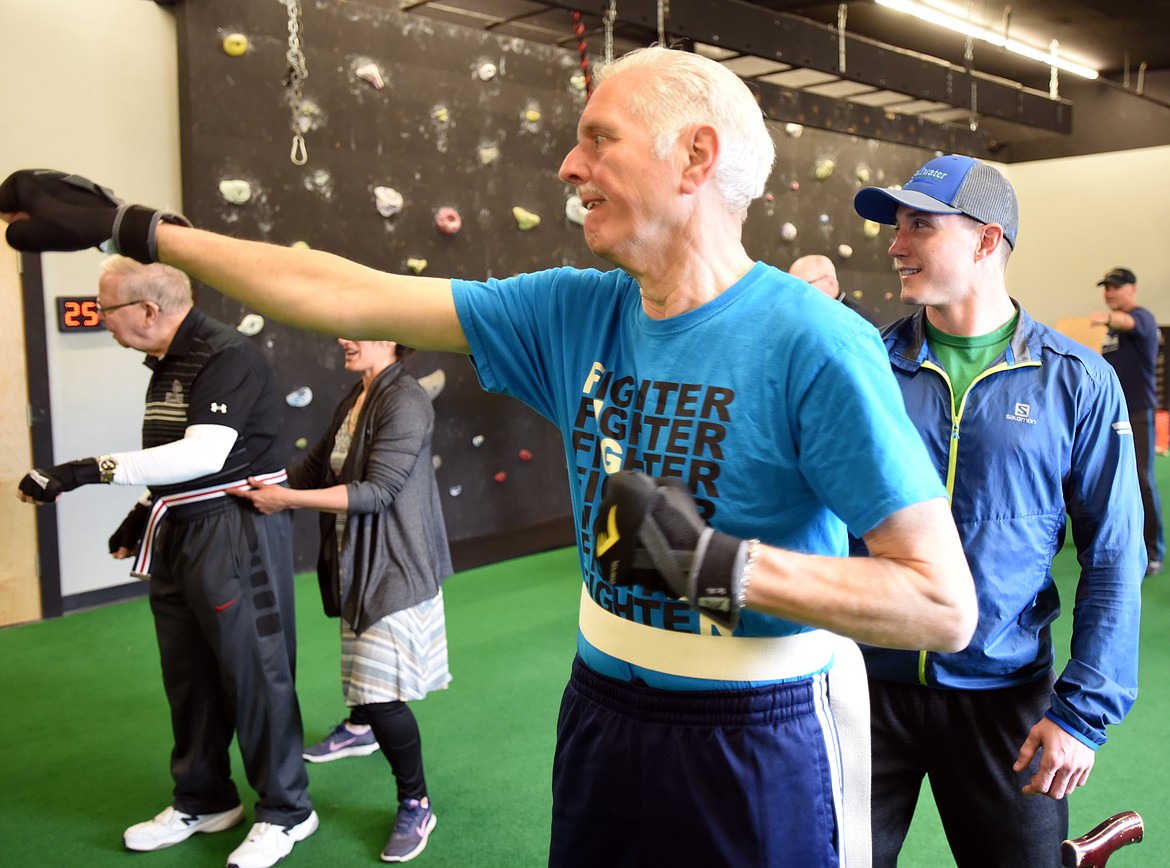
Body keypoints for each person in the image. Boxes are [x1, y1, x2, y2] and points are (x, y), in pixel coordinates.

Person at [0, 46, 979, 868]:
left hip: (761, 729)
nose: (567, 163)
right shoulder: (572, 310)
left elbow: (940, 603)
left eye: (599, 137)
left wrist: (722, 565)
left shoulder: (814, 343)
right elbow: (342, 290)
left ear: (696, 157)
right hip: (602, 704)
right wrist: (144, 231)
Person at [852, 154, 1144, 867]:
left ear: (986, 240)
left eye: (920, 225)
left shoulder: (1076, 381)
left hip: (1005, 696)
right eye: (897, 226)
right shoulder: (864, 363)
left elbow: (1112, 554)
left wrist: (1081, 713)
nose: (896, 244)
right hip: (864, 691)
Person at [14, 256, 317, 868]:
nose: (101, 320)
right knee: (190, 673)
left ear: (148, 311)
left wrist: (78, 473)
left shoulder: (225, 354)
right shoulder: (169, 360)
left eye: (107, 309)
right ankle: (204, 798)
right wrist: (141, 513)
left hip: (236, 531)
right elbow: (172, 456)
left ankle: (288, 811)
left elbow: (204, 455)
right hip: (182, 529)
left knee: (255, 673)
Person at [230, 337, 452, 863]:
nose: (342, 339)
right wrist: (260, 482)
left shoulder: (405, 400)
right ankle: (358, 729)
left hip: (395, 565)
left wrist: (284, 500)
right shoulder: (361, 392)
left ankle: (416, 801)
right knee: (361, 666)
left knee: (380, 691)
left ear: (392, 337)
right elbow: (317, 470)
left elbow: (377, 492)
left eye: (357, 330)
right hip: (358, 561)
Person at [1089, 267, 1164, 577]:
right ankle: (1113, 541)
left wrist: (1106, 319)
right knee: (1106, 478)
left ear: (1132, 289)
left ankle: (1153, 551)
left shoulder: (1141, 318)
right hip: (1113, 413)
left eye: (1116, 287)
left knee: (1142, 479)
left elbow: (1127, 321)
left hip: (1138, 411)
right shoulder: (1112, 333)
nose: (1110, 293)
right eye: (1106, 287)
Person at [789, 253, 881, 325]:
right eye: (791, 288)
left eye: (803, 286)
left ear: (830, 284)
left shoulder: (855, 319)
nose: (795, 295)